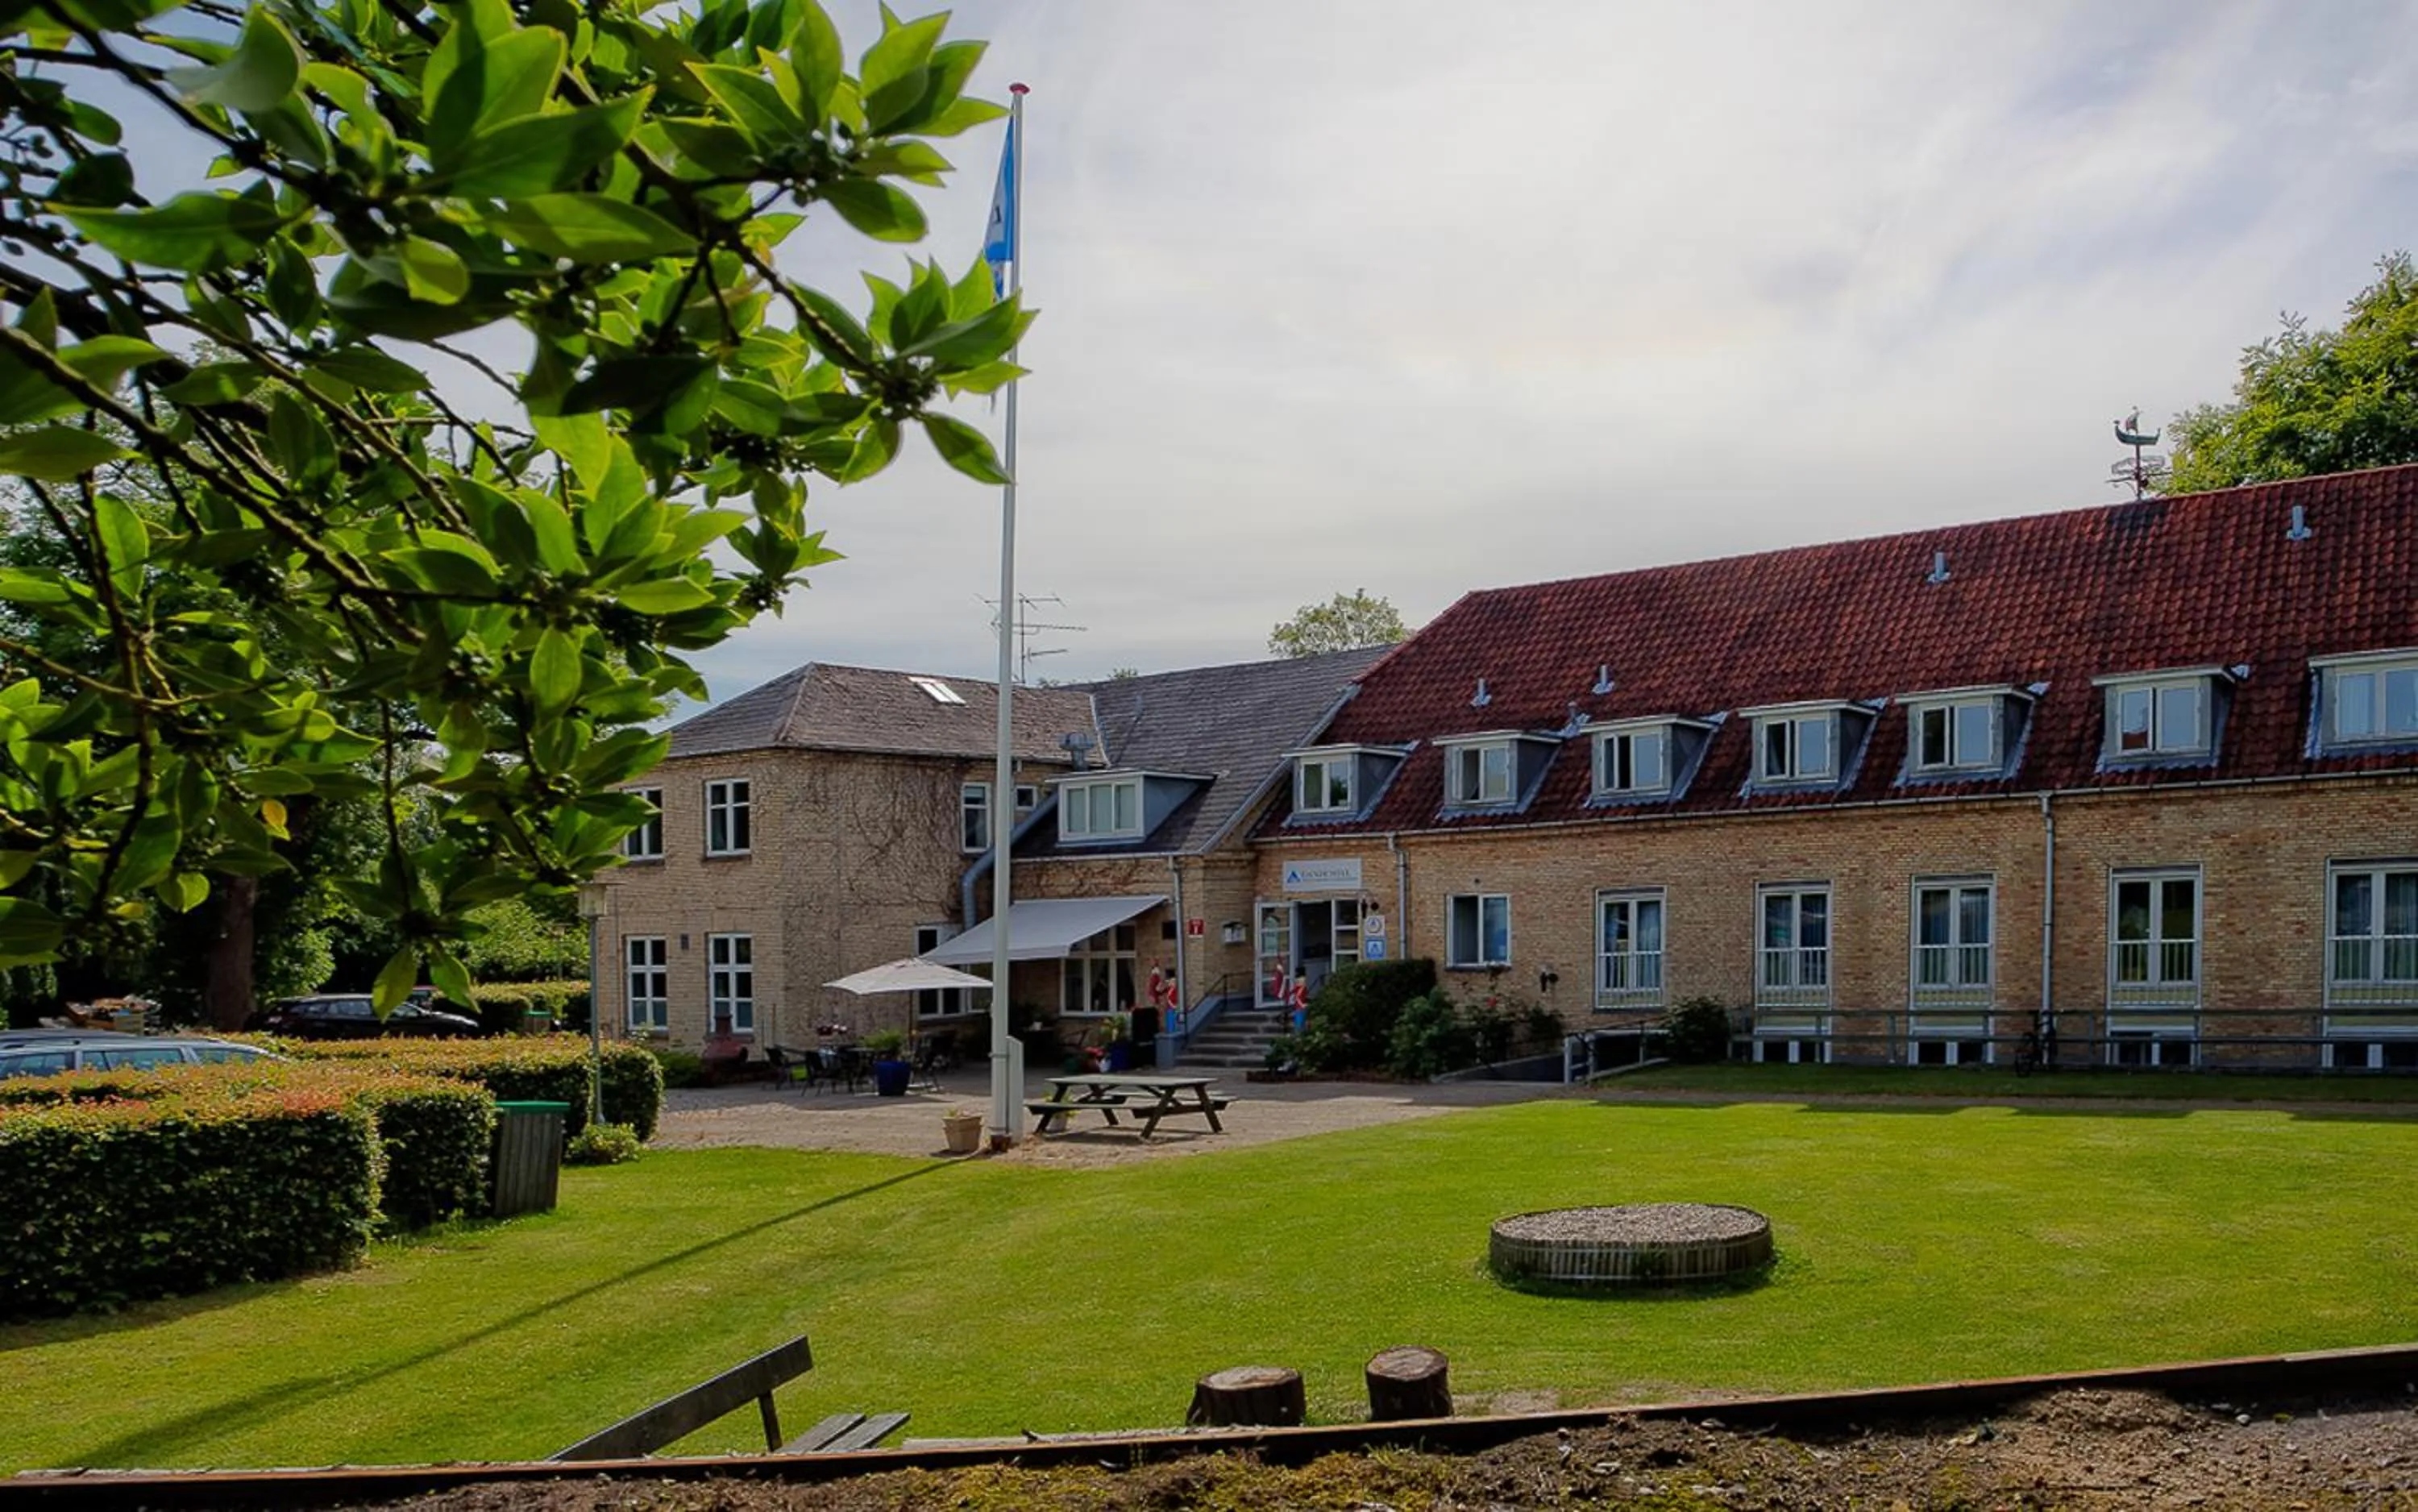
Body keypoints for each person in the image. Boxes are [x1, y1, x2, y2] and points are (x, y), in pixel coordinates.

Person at [1288, 970, 1310, 1036]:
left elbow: (1301, 997)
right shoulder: (1297, 988)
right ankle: (1299, 1036)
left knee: (1301, 1023)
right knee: (1298, 1023)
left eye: (1299, 981)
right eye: (1297, 981)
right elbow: (1291, 993)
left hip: (1302, 1008)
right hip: (1298, 1008)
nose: (1297, 982)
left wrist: (1303, 1004)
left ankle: (1301, 1035)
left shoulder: (1304, 988)